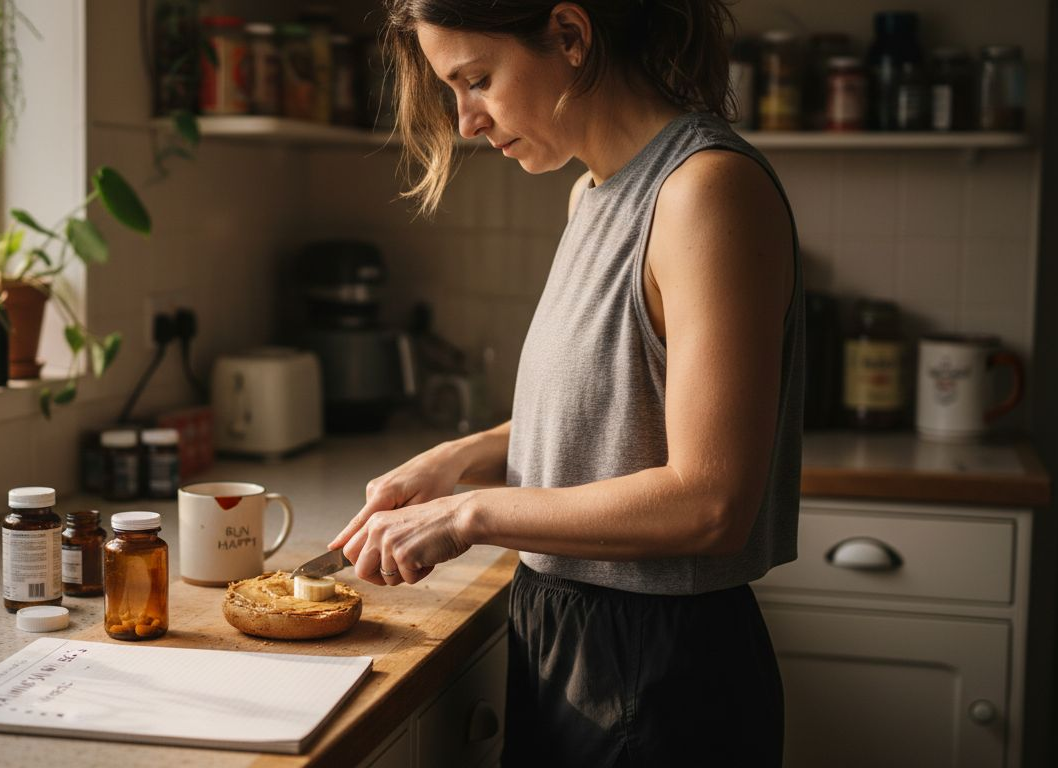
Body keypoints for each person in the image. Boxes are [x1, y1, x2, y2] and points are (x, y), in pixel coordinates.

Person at [328, 1, 803, 765]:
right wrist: (461, 457)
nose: (467, 123)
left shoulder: (704, 191)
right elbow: (622, 406)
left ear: (570, 35)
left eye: (477, 79)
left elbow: (711, 501)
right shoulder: (591, 193)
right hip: (570, 638)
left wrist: (470, 514)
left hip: (660, 671)